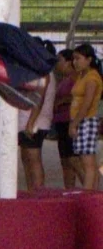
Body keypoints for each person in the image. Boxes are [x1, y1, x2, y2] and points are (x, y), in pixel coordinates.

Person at [17, 48, 56, 193]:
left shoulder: (43, 72)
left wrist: (31, 123)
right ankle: (31, 192)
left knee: (33, 160)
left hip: (34, 123)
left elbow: (39, 99)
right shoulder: (38, 71)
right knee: (27, 159)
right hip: (27, 121)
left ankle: (38, 193)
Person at [69, 44, 101, 190]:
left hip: (86, 121)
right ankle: (92, 192)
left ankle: (88, 194)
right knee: (86, 160)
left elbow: (86, 104)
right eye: (74, 59)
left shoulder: (92, 78)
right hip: (82, 120)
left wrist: (74, 123)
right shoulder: (82, 76)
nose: (75, 62)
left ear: (89, 59)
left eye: (78, 59)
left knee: (87, 161)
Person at [53, 49, 79, 188]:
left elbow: (78, 95)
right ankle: (69, 189)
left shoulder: (75, 77)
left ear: (69, 62)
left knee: (73, 159)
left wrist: (61, 101)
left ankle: (86, 188)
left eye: (60, 60)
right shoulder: (64, 79)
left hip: (69, 119)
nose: (57, 64)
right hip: (60, 121)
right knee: (65, 160)